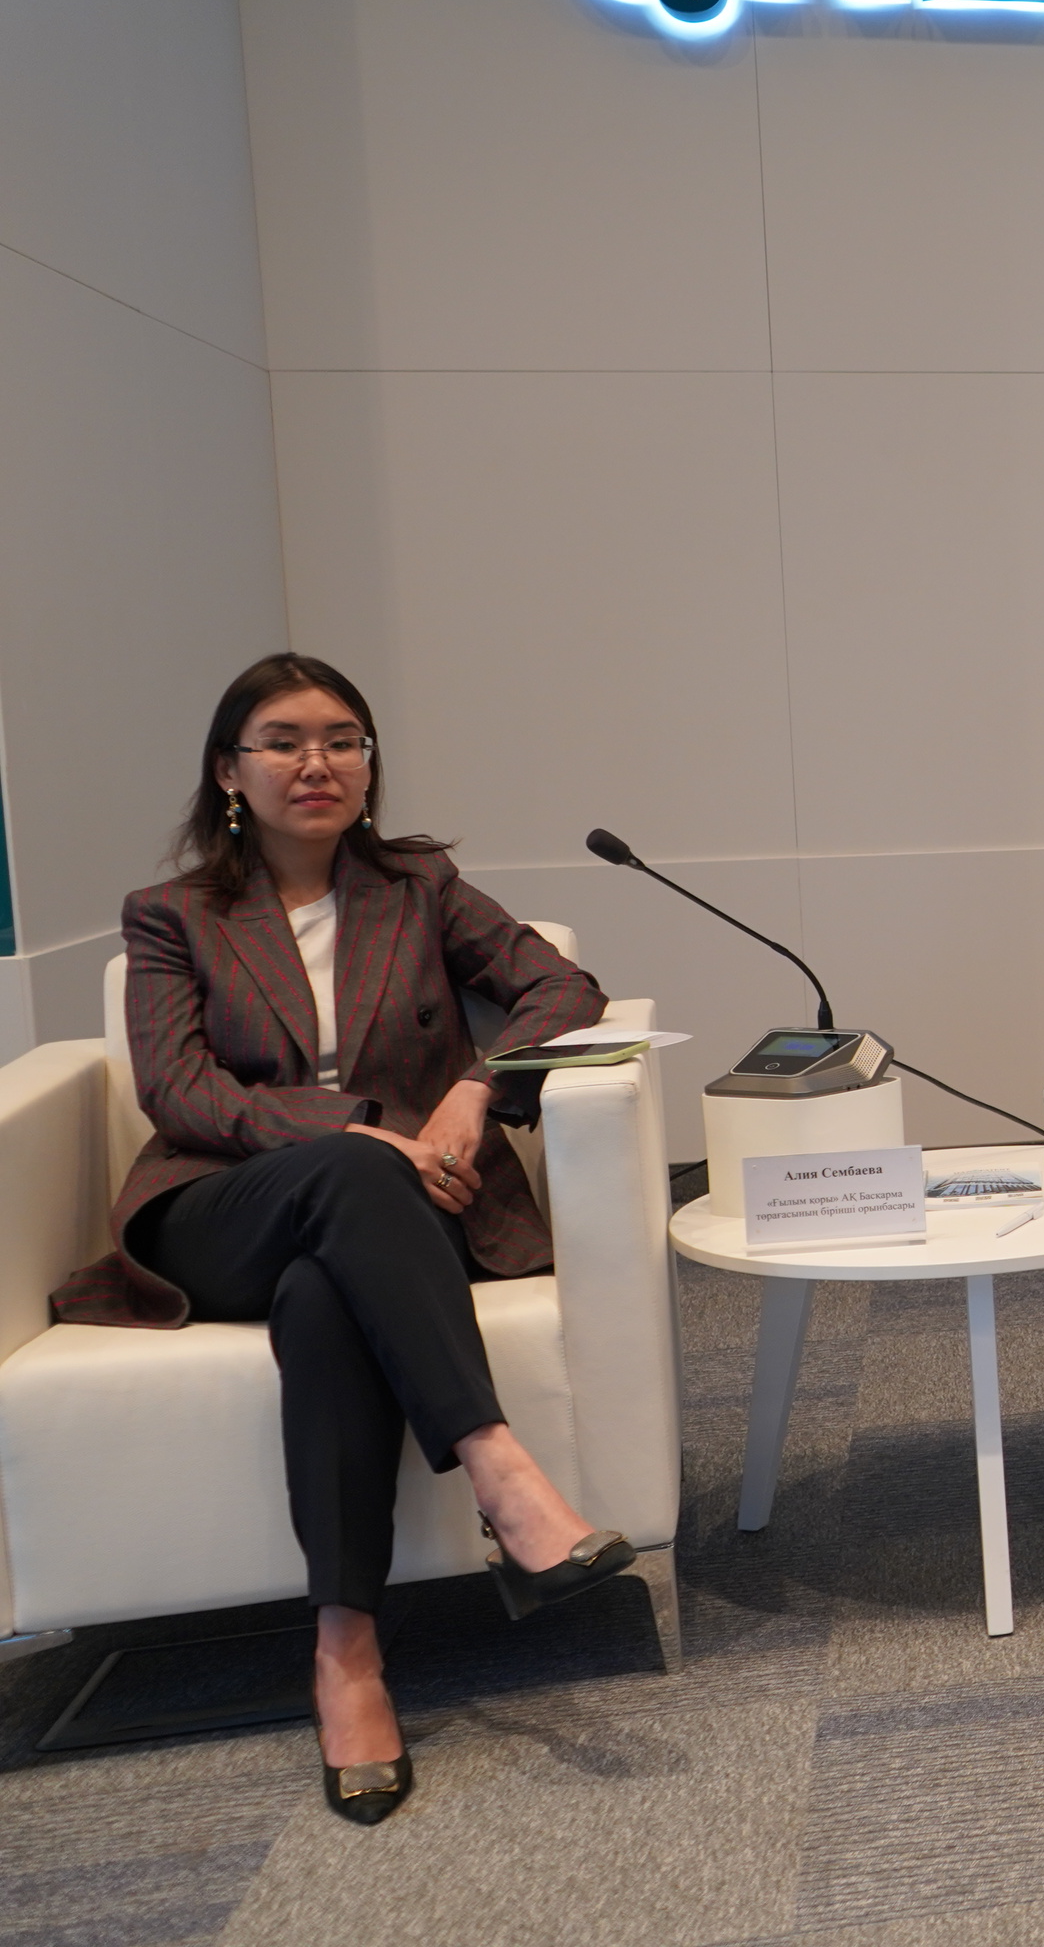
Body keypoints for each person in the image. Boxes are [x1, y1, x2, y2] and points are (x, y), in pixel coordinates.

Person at [56, 654, 640, 1821]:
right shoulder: (173, 915)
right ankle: (503, 1473)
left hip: (384, 1227)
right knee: (352, 1166)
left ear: (370, 765)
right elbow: (180, 1089)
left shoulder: (419, 886)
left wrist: (475, 1089)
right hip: (221, 1207)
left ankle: (347, 1652)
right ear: (230, 771)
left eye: (342, 739)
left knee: (325, 1298)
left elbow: (564, 989)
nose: (315, 761)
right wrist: (361, 1131)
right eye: (282, 740)